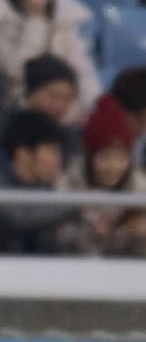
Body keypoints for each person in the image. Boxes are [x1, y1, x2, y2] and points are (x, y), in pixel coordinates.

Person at [0, 108, 75, 253]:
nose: (58, 161)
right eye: (52, 151)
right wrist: (78, 205)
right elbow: (21, 216)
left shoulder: (41, 189)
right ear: (23, 154)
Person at [0, 53, 83, 187]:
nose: (60, 106)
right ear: (31, 92)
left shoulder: (67, 137)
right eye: (53, 96)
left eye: (67, 99)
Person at [56, 94, 146, 256]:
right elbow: (59, 237)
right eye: (105, 156)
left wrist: (127, 231)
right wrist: (91, 233)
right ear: (90, 157)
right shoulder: (68, 185)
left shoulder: (139, 187)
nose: (113, 166)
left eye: (121, 157)